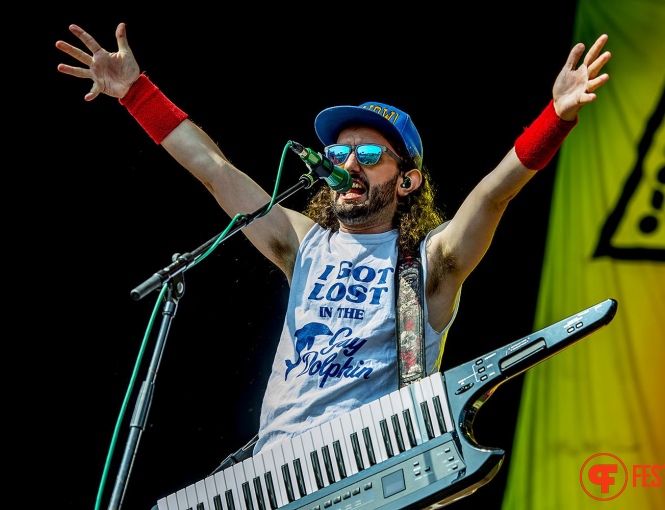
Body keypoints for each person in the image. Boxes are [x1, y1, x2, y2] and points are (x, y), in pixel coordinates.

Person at [56, 23, 611, 462]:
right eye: (341, 155)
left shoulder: (429, 262)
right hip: (276, 466)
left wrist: (555, 118)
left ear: (407, 180)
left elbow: (492, 196)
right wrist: (135, 93)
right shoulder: (301, 242)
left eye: (369, 157)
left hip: (368, 462)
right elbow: (214, 168)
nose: (349, 165)